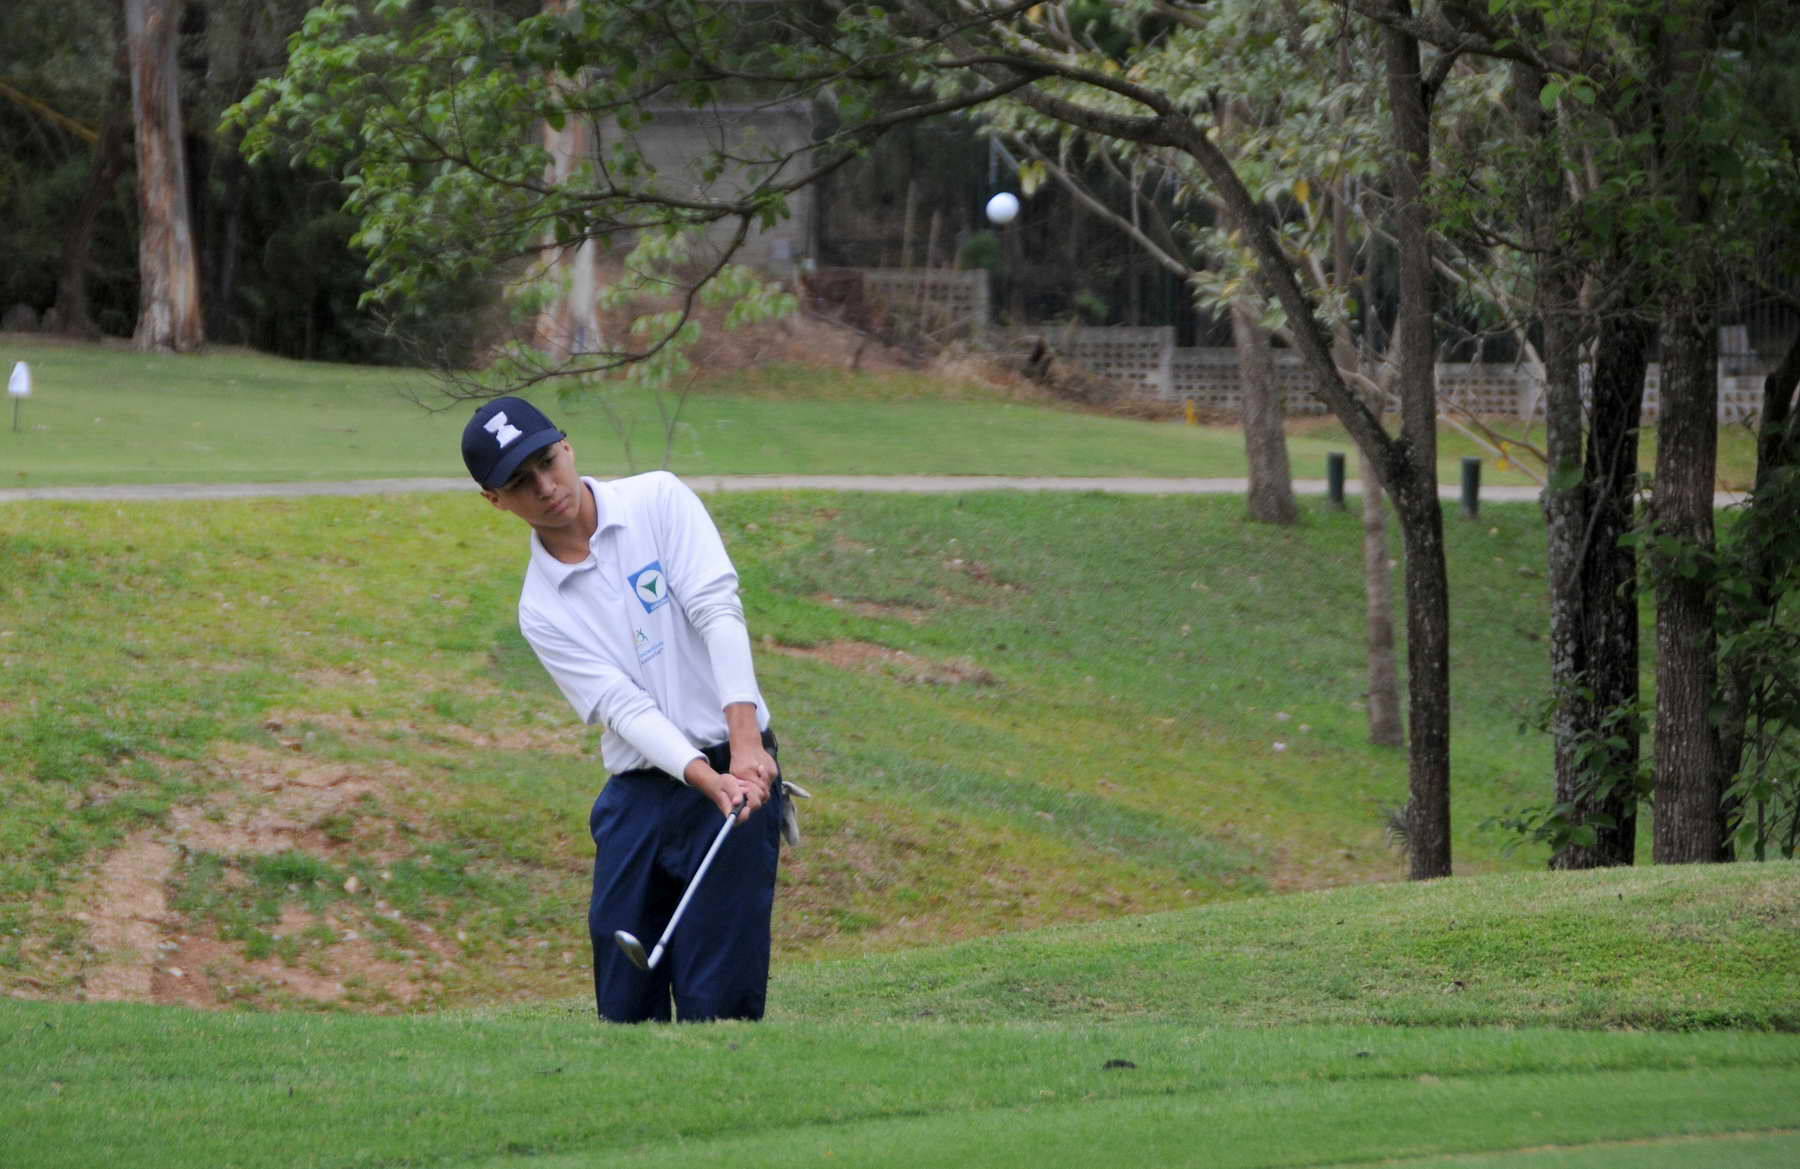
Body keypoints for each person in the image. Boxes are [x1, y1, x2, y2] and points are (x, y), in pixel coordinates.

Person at [461, 395, 788, 1023]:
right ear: (494, 500)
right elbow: (623, 707)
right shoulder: (541, 608)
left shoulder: (657, 500)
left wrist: (745, 745)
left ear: (567, 445)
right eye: (520, 483)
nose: (546, 487)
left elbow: (717, 611)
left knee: (717, 1002)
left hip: (736, 758)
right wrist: (703, 777)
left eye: (547, 462)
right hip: (641, 793)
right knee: (623, 1005)